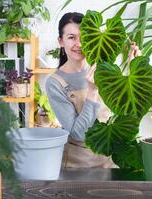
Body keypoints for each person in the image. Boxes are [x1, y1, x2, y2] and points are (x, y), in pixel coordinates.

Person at [46, 12, 141, 168]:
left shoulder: (104, 70)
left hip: (108, 160)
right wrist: (92, 91)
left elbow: (123, 109)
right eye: (71, 37)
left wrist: (132, 69)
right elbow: (78, 133)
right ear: (60, 41)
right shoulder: (55, 83)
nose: (79, 44)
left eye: (84, 37)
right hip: (78, 166)